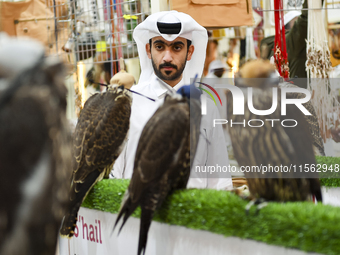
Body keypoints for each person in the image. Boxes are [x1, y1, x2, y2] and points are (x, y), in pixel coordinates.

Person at [111, 11, 232, 190]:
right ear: (148, 50)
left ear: (190, 52)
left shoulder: (206, 105)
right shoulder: (128, 103)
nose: (167, 57)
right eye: (160, 47)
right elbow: (114, 177)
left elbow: (220, 179)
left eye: (176, 47)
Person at [260, 0, 308, 84]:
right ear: (285, 29)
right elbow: (304, 20)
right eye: (296, 23)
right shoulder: (291, 41)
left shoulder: (276, 46)